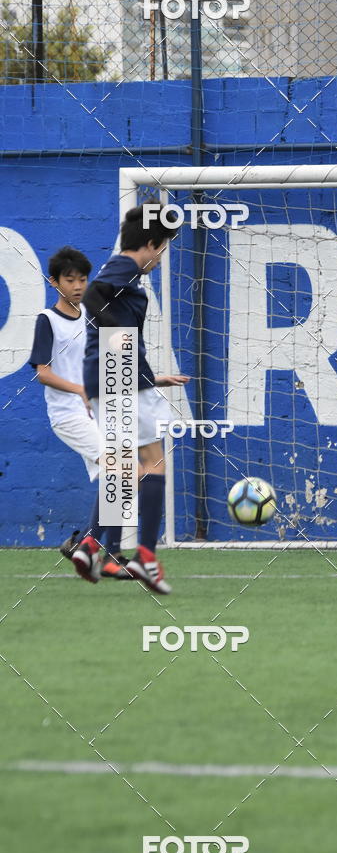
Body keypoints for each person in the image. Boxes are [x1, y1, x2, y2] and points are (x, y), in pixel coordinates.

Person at [72, 205, 189, 594]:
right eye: (163, 249)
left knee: (123, 467)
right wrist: (119, 341)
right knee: (151, 463)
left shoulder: (124, 274)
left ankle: (92, 545)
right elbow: (92, 296)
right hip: (117, 373)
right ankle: (145, 558)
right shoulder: (123, 268)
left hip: (111, 376)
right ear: (151, 245)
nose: (160, 258)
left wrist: (151, 376)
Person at [29, 246, 128, 580]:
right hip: (67, 415)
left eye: (82, 279)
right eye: (69, 279)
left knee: (119, 475)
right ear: (53, 281)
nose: (76, 285)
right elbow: (42, 371)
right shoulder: (48, 320)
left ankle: (87, 544)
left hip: (93, 413)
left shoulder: (90, 317)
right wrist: (81, 390)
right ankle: (95, 547)